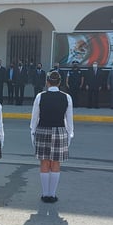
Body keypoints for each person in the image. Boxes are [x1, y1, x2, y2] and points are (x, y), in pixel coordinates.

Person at [30, 71, 74, 203]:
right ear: (60, 82)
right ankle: (52, 194)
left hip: (42, 129)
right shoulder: (67, 97)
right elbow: (69, 121)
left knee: (44, 162)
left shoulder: (40, 96)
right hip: (60, 131)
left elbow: (34, 118)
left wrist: (33, 134)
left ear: (47, 82)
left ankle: (45, 194)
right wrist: (69, 136)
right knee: (55, 163)